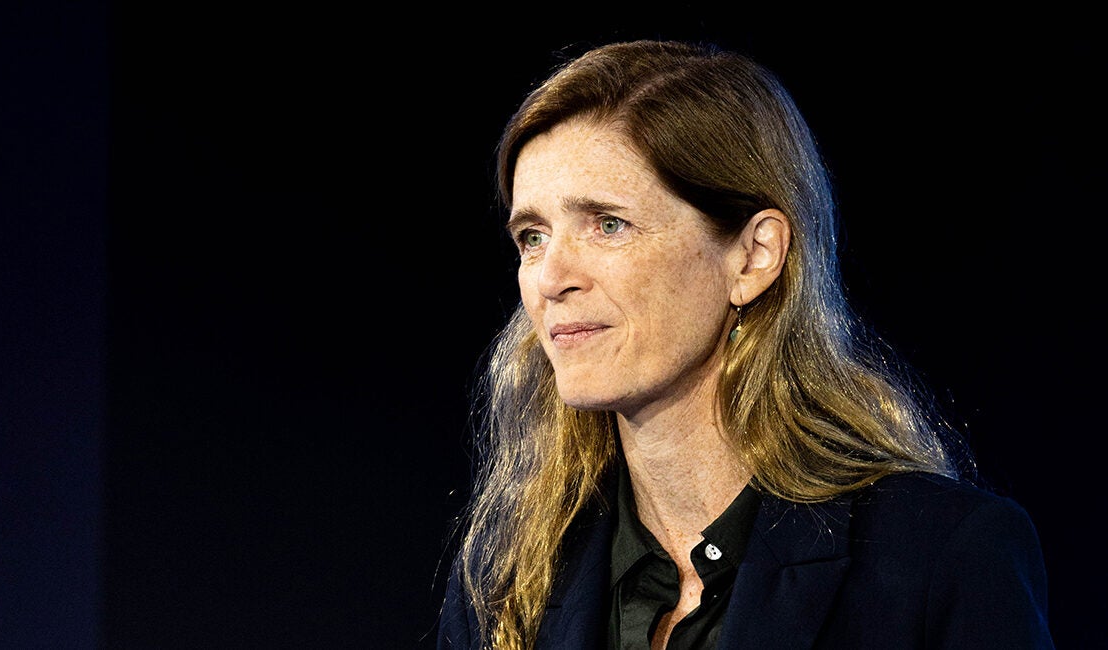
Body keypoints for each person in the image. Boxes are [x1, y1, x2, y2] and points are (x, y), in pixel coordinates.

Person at [435, 39, 1053, 649]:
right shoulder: (506, 583)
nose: (550, 278)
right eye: (532, 236)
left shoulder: (938, 559)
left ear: (754, 256)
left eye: (608, 224)